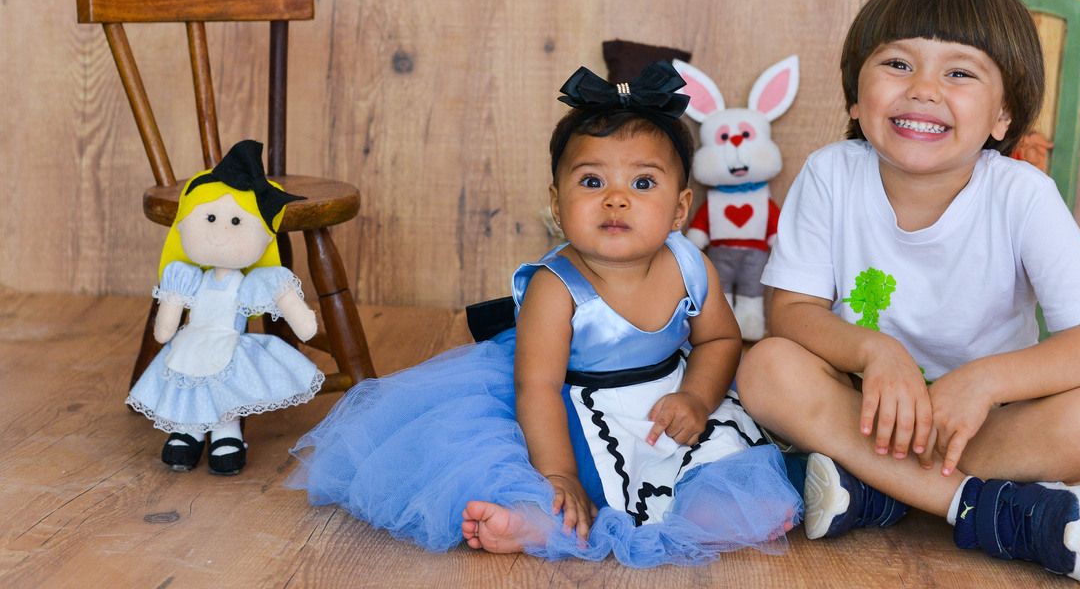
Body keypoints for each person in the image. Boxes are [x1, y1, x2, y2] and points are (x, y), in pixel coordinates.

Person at [287, 61, 800, 566]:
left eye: (643, 184)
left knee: (718, 456)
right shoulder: (555, 286)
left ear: (681, 208)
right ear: (557, 204)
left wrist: (696, 396)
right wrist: (559, 474)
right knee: (548, 483)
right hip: (569, 412)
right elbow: (537, 387)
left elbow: (718, 341)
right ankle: (538, 517)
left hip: (665, 401)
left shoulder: (691, 265)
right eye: (592, 182)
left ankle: (709, 509)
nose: (616, 200)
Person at [736, 0, 1080, 582]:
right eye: (898, 64)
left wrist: (983, 382)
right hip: (862, 411)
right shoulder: (830, 173)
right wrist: (875, 352)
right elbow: (790, 313)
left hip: (977, 427)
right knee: (766, 367)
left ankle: (875, 489)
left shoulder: (1022, 194)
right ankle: (981, 509)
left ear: (1003, 115)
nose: (923, 89)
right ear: (855, 96)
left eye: (959, 73)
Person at [127, 139, 324, 475]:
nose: (219, 233)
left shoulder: (250, 282)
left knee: (225, 388)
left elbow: (282, 294)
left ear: (265, 237)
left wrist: (303, 320)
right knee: (186, 382)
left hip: (228, 342)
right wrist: (167, 327)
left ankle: (226, 435)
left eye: (235, 222)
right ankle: (187, 432)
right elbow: (166, 323)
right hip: (192, 341)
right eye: (210, 218)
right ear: (183, 224)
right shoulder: (185, 275)